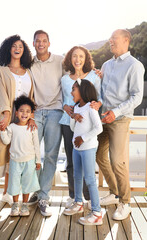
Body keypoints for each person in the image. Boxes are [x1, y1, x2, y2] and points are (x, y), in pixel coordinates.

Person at [97, 29, 145, 220]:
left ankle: (125, 203)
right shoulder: (106, 65)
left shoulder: (135, 65)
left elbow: (137, 96)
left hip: (120, 119)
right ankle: (115, 192)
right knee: (98, 155)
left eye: (114, 38)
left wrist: (115, 113)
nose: (110, 41)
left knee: (118, 160)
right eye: (110, 38)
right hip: (102, 118)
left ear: (126, 40)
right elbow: (101, 91)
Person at [0, 35, 35, 216]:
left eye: (21, 46)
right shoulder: (1, 70)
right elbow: (1, 94)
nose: (17, 48)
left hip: (22, 120)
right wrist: (7, 114)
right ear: (8, 49)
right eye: (14, 46)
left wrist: (30, 116)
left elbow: (31, 98)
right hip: (4, 117)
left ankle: (8, 194)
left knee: (15, 157)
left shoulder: (29, 71)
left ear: (24, 51)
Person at [59, 46, 102, 208]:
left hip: (87, 125)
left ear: (86, 59)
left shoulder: (94, 76)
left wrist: (97, 104)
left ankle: (89, 198)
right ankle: (75, 197)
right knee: (71, 161)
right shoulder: (64, 79)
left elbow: (100, 97)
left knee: (88, 161)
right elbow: (62, 99)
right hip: (68, 123)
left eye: (81, 57)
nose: (77, 60)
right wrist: (65, 107)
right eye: (74, 56)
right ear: (70, 59)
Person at [28, 30, 65, 217]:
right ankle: (37, 189)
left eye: (44, 41)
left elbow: (76, 73)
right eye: (37, 41)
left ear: (49, 43)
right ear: (33, 44)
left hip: (55, 112)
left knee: (50, 156)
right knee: (31, 155)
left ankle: (43, 196)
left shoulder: (60, 60)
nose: (41, 44)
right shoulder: (29, 63)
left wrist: (95, 72)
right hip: (35, 113)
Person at [63, 79, 103, 226]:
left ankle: (97, 213)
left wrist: (83, 138)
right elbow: (73, 129)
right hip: (77, 149)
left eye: (74, 89)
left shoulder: (90, 108)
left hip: (88, 148)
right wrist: (73, 117)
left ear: (83, 90)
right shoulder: (76, 107)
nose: (71, 92)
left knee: (90, 179)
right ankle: (78, 202)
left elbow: (99, 128)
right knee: (77, 176)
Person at [0, 95, 41, 216]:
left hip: (29, 160)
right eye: (21, 111)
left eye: (28, 111)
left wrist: (38, 160)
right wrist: (2, 131)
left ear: (31, 114)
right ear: (16, 113)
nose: (24, 114)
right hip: (15, 161)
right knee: (15, 183)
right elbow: (6, 141)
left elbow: (36, 145)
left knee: (27, 184)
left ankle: (25, 205)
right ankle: (15, 204)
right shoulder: (12, 127)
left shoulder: (32, 128)